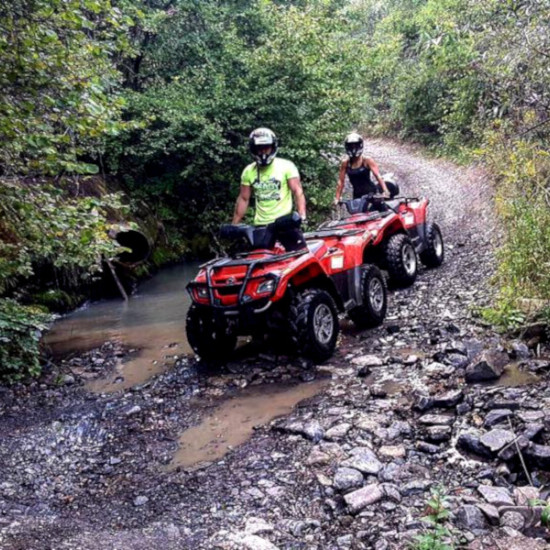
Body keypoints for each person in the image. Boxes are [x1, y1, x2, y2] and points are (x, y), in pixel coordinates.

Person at [232, 127, 307, 251]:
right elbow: (243, 198)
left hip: (285, 222)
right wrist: (234, 225)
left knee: (301, 255)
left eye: (266, 147)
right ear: (253, 149)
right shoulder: (248, 171)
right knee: (260, 261)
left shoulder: (286, 166)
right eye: (259, 148)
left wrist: (302, 215)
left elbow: (297, 191)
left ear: (273, 147)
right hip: (262, 225)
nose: (263, 152)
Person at [333, 133, 391, 207]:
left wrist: (385, 191)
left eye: (355, 145)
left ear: (360, 145)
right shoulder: (345, 163)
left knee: (380, 213)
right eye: (351, 146)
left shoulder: (367, 160)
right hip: (357, 195)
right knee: (357, 216)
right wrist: (337, 198)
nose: (353, 148)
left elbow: (378, 176)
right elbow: (341, 181)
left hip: (371, 193)